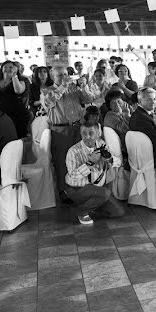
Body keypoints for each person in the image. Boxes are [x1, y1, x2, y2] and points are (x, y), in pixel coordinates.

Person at [43, 66, 98, 203]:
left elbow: (89, 99)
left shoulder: (74, 87)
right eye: (60, 75)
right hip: (60, 131)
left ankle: (81, 189)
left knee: (81, 158)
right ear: (53, 77)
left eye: (66, 74)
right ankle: (65, 192)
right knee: (62, 161)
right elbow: (50, 102)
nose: (64, 77)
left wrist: (84, 86)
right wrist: (62, 86)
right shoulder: (47, 90)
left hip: (78, 128)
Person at [64, 120, 125, 224]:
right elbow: (73, 176)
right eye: (84, 133)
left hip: (97, 189)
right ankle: (81, 212)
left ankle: (92, 205)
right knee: (105, 193)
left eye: (91, 133)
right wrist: (90, 163)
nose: (87, 137)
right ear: (80, 133)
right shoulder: (73, 151)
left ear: (98, 134)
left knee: (118, 212)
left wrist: (110, 159)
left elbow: (118, 163)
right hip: (76, 189)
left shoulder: (101, 144)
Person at [0, 60, 29, 138]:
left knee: (18, 136)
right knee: (4, 136)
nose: (8, 69)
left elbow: (18, 90)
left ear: (15, 69)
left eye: (11, 67)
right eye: (5, 67)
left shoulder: (22, 80)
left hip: (18, 113)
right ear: (1, 69)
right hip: (2, 113)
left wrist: (14, 77)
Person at [101, 89, 131, 160]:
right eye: (113, 103)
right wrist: (127, 115)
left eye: (119, 101)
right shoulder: (110, 116)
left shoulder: (123, 111)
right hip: (123, 149)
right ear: (110, 106)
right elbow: (124, 130)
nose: (117, 104)